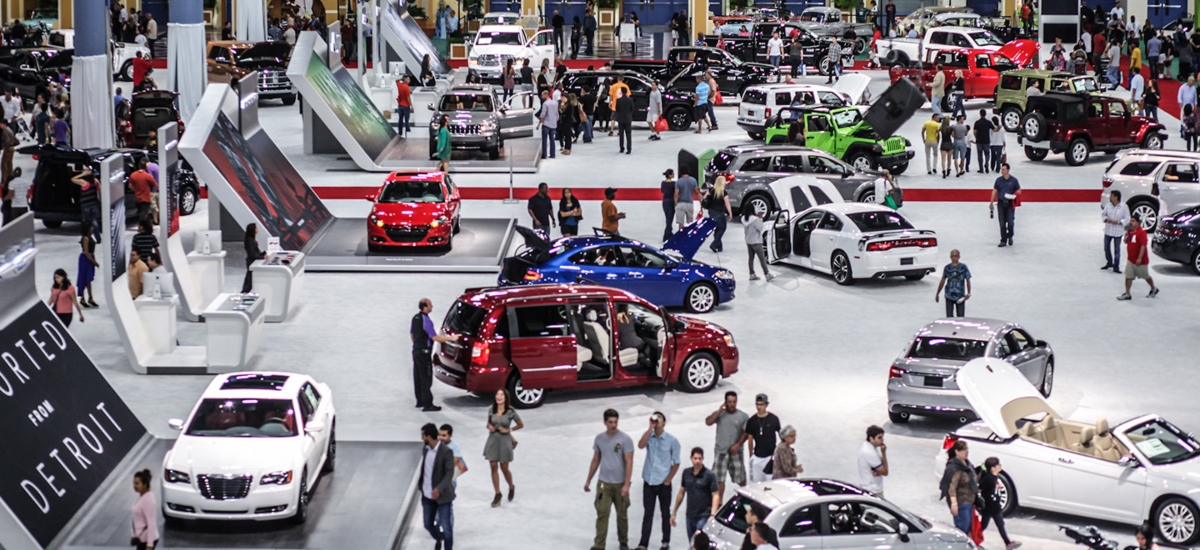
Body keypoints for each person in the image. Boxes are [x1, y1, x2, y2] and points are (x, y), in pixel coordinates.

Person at [586, 409, 635, 550]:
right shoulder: (599, 439)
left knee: (622, 515)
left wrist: (626, 484)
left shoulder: (625, 439)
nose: (613, 425)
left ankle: (623, 543)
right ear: (605, 422)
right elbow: (596, 459)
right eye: (610, 422)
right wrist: (589, 479)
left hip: (620, 484)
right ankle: (599, 544)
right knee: (602, 514)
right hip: (604, 484)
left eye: (615, 422)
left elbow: (629, 462)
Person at [637, 412, 681, 550]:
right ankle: (643, 544)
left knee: (665, 512)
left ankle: (665, 542)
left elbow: (677, 462)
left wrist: (668, 480)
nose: (657, 420)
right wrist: (650, 428)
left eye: (659, 418)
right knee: (648, 514)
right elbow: (640, 445)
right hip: (649, 481)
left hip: (663, 483)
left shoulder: (672, 440)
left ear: (664, 423)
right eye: (655, 418)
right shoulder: (649, 437)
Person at [410, 298, 460, 411]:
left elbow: (412, 334)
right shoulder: (426, 320)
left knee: (417, 377)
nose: (432, 307)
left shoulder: (415, 318)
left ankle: (420, 401)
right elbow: (435, 337)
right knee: (426, 378)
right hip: (424, 353)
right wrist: (451, 338)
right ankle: (428, 404)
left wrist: (417, 345)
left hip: (416, 351)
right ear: (425, 307)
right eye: (430, 305)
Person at [704, 391, 748, 502]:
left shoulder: (743, 416)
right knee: (719, 480)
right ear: (725, 402)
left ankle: (745, 497)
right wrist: (719, 411)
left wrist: (737, 445)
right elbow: (708, 422)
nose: (732, 404)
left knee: (740, 478)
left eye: (734, 401)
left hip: (736, 452)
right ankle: (719, 503)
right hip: (721, 452)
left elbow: (746, 433)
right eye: (729, 402)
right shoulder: (720, 415)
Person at [419, 423, 456, 550]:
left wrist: (438, 489)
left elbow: (449, 473)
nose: (421, 438)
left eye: (423, 435)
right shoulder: (425, 449)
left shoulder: (446, 452)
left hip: (442, 496)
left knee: (447, 527)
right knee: (428, 524)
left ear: (429, 436)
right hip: (427, 495)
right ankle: (439, 537)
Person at [671, 447, 720, 542]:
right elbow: (681, 492)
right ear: (691, 458)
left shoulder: (709, 475)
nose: (697, 461)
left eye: (699, 458)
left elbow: (715, 495)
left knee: (699, 542)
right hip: (690, 515)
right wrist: (674, 512)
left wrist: (712, 514)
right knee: (691, 543)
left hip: (703, 516)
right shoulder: (686, 473)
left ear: (703, 459)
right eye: (695, 458)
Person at [484, 389, 522, 507]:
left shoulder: (511, 411)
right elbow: (489, 422)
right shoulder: (491, 409)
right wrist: (489, 426)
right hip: (493, 439)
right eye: (497, 394)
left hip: (505, 440)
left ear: (506, 397)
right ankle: (497, 493)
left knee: (504, 467)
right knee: (493, 465)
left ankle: (511, 486)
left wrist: (508, 429)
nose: (499, 397)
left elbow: (521, 424)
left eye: (501, 395)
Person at [979, 457, 1020, 549]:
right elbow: (982, 490)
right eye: (998, 465)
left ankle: (1008, 543)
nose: (1000, 466)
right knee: (984, 525)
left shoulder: (994, 477)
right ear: (993, 468)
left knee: (999, 525)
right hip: (990, 507)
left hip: (995, 507)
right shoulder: (987, 479)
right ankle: (973, 540)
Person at [939, 439, 979, 536]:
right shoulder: (955, 468)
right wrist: (954, 504)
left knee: (968, 526)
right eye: (964, 450)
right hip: (961, 502)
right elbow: (952, 487)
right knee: (962, 527)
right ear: (957, 451)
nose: (966, 452)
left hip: (969, 501)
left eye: (967, 449)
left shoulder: (967, 464)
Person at [1118, 213, 1159, 300]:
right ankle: (1127, 293)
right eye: (1130, 221)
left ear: (1138, 223)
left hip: (1140, 261)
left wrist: (1140, 258)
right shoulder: (1130, 231)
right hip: (1130, 259)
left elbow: (1143, 246)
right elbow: (1126, 242)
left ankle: (1153, 288)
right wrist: (1126, 236)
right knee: (1128, 276)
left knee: (1146, 276)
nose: (1131, 223)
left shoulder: (1142, 233)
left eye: (1133, 221)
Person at [744, 394, 780, 484]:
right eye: (757, 404)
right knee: (755, 484)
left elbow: (781, 434)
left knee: (771, 484)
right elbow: (750, 438)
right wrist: (750, 454)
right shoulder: (752, 421)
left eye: (761, 404)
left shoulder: (773, 419)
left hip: (770, 457)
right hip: (757, 457)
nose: (759, 407)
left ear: (766, 405)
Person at [990, 164, 1021, 247]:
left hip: (1010, 204)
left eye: (1004, 169)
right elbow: (994, 191)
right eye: (1001, 169)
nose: (1002, 171)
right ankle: (1003, 240)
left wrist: (1015, 194)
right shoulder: (998, 180)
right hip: (1001, 203)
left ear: (1008, 170)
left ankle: (1010, 235)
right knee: (1002, 223)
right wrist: (991, 202)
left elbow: (1019, 190)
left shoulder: (1014, 180)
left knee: (1010, 222)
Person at [1101, 190, 1131, 272]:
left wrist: (1118, 222)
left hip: (1118, 231)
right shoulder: (1108, 205)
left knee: (1117, 249)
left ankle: (1116, 266)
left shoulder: (1124, 207)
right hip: (1108, 230)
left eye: (1111, 196)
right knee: (1106, 247)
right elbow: (1103, 214)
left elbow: (1127, 219)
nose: (1110, 197)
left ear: (1116, 197)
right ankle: (1109, 262)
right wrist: (1107, 219)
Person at [858, 425, 889, 498]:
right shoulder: (870, 452)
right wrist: (883, 453)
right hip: (873, 491)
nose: (882, 440)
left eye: (882, 437)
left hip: (869, 488)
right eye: (879, 438)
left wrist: (878, 470)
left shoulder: (868, 447)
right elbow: (885, 472)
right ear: (871, 439)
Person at [130, 469, 158, 550]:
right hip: (141, 539)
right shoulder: (142, 497)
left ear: (145, 484)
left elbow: (151, 523)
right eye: (134, 483)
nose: (134, 486)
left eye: (137, 483)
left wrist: (150, 544)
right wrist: (134, 535)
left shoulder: (148, 500)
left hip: (146, 541)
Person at [743, 210, 774, 281]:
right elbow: (760, 228)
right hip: (756, 241)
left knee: (751, 258)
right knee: (762, 259)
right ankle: (767, 274)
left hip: (748, 241)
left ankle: (751, 274)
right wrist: (760, 218)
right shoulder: (755, 219)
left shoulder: (744, 218)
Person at [704, 176, 732, 253]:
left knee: (716, 228)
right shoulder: (724, 192)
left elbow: (705, 198)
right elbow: (727, 204)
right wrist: (730, 213)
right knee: (722, 228)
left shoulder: (711, 190)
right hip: (720, 212)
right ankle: (714, 244)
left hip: (712, 212)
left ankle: (719, 246)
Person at [76, 222, 99, 309]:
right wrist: (94, 262)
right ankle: (83, 298)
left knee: (88, 279)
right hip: (85, 259)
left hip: (90, 257)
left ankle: (90, 298)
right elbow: (86, 252)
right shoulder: (85, 238)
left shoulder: (89, 237)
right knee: (84, 278)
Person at [241, 223, 265, 293]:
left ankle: (244, 293)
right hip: (251, 262)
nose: (258, 229)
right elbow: (252, 254)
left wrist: (263, 254)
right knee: (249, 281)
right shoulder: (250, 240)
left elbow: (255, 253)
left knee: (249, 280)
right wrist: (262, 257)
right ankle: (243, 293)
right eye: (256, 228)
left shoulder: (251, 240)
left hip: (252, 262)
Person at [674, 169, 698, 233]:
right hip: (690, 203)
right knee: (690, 222)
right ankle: (688, 236)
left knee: (680, 223)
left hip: (680, 203)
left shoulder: (678, 181)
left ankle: (680, 237)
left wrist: (676, 203)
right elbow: (697, 192)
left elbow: (676, 194)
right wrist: (701, 202)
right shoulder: (693, 180)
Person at [537, 92, 558, 160]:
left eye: (542, 95)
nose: (541, 96)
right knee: (552, 139)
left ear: (546, 95)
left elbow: (543, 114)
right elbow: (557, 114)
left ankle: (544, 154)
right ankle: (553, 154)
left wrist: (539, 124)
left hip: (546, 124)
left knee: (544, 140)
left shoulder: (545, 104)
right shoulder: (554, 103)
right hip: (553, 124)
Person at [615, 88, 634, 154]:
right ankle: (629, 149)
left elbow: (617, 109)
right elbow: (632, 109)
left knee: (621, 134)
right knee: (628, 134)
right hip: (628, 118)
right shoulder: (630, 100)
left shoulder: (618, 100)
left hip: (620, 118)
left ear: (621, 92)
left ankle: (621, 148)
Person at [973, 109, 993, 174]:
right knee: (987, 154)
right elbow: (994, 129)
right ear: (985, 114)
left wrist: (976, 137)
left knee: (980, 155)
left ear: (980, 114)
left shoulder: (977, 122)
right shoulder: (988, 122)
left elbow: (975, 132)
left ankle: (981, 169)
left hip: (979, 141)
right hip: (986, 140)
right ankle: (986, 162)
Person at [660, 169, 676, 241]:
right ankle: (666, 235)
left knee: (668, 218)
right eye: (673, 174)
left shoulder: (663, 183)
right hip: (671, 201)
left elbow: (662, 191)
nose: (674, 175)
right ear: (670, 175)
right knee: (670, 219)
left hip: (664, 201)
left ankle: (669, 232)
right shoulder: (674, 183)